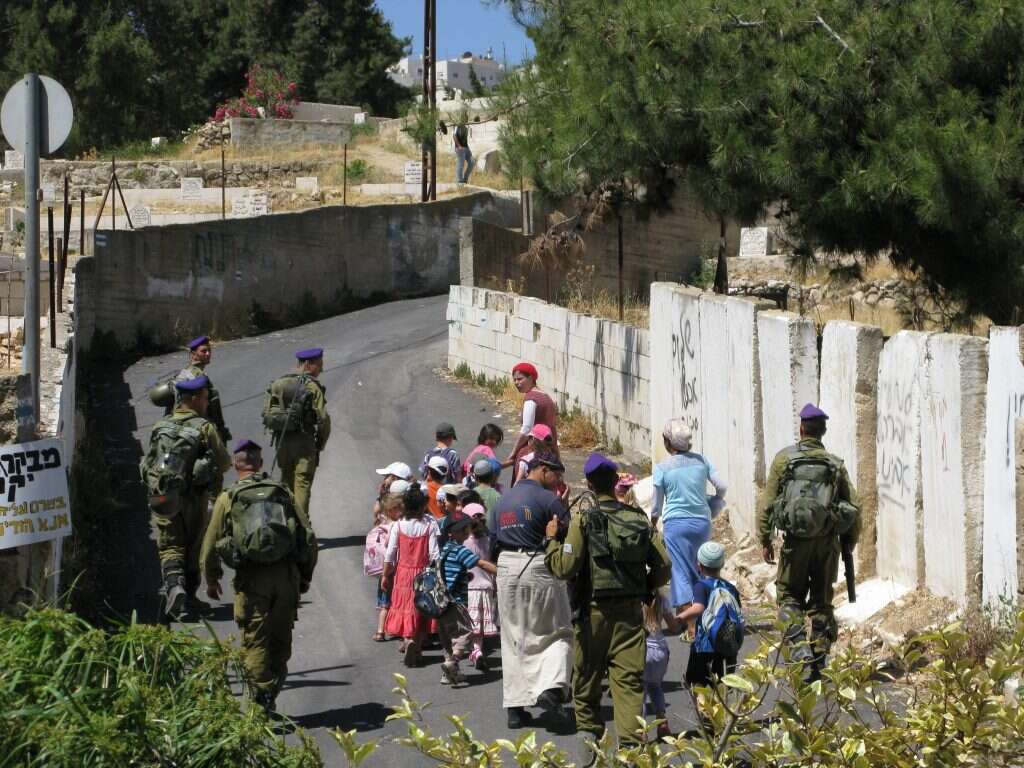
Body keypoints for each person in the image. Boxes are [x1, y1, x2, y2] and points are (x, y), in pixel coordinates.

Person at [545, 453, 671, 762]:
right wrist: (645, 587)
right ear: (616, 482)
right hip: (630, 616)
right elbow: (664, 565)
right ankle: (631, 755)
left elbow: (565, 567)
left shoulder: (584, 520)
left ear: (588, 484)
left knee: (586, 686)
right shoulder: (637, 520)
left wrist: (551, 542)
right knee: (628, 687)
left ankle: (590, 756)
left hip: (592, 615)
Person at [200, 439, 317, 714]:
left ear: (236, 464)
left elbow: (209, 544)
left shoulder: (228, 498)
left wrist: (212, 578)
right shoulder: (283, 492)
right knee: (279, 641)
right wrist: (304, 576)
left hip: (252, 582)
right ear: (260, 464)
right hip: (286, 578)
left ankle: (259, 703)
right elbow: (308, 537)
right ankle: (269, 696)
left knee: (255, 642)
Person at [758, 404, 861, 681]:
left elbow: (767, 502)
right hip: (827, 544)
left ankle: (798, 646)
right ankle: (818, 658)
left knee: (789, 596)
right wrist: (849, 542)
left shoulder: (784, 461)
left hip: (794, 544)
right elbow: (853, 505)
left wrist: (765, 538)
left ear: (802, 429)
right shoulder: (834, 464)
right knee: (821, 601)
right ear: (823, 431)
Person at [491, 451, 573, 729]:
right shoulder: (549, 499)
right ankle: (550, 688)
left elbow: (492, 540)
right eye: (556, 475)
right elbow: (566, 535)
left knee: (513, 636)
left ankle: (515, 708)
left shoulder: (502, 501)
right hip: (538, 564)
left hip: (505, 566)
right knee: (556, 629)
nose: (557, 481)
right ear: (543, 470)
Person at [141, 375, 230, 619]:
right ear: (191, 400)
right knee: (192, 547)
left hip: (162, 495)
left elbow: (148, 462)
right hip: (193, 500)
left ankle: (174, 588)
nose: (206, 403)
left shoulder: (161, 427)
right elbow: (224, 463)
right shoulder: (204, 427)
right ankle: (189, 598)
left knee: (170, 545)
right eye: (203, 398)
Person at [652, 419, 727, 615]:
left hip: (675, 526)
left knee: (680, 571)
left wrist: (652, 524)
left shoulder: (662, 468)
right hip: (702, 523)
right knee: (699, 567)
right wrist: (715, 502)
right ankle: (704, 613)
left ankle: (691, 624)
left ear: (668, 442)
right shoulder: (702, 460)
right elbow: (722, 486)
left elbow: (656, 507)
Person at [262, 348, 331, 519]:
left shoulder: (279, 383)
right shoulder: (312, 386)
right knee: (302, 483)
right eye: (319, 365)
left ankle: (285, 524)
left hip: (281, 442)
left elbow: (266, 412)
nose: (321, 369)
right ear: (308, 364)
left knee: (285, 482)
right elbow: (323, 419)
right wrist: (320, 443)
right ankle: (302, 527)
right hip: (304, 442)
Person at [382, 483, 440, 667]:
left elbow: (390, 553)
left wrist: (385, 575)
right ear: (423, 505)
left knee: (405, 607)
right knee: (420, 609)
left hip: (403, 573)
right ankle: (418, 646)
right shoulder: (429, 526)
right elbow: (434, 554)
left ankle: (408, 640)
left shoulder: (398, 526)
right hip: (422, 573)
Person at [436, 514, 498, 685]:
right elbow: (482, 564)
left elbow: (450, 572)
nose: (468, 530)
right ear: (458, 531)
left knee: (448, 638)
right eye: (466, 527)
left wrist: (465, 576)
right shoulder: (460, 550)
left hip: (440, 602)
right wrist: (504, 573)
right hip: (455, 602)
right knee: (466, 634)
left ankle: (449, 673)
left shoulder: (445, 549)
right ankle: (452, 663)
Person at [173, 335, 231, 443]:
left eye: (209, 350)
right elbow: (207, 407)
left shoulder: (188, 372)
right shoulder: (197, 377)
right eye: (204, 351)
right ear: (193, 354)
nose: (208, 354)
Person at [462, 503, 499, 670]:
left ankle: (475, 651)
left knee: (471, 624)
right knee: (481, 626)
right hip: (487, 586)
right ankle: (478, 650)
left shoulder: (464, 543)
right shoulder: (489, 541)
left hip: (470, 588)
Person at [505, 363, 559, 469]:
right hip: (549, 452)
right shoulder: (546, 397)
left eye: (520, 379)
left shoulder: (531, 399)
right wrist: (556, 452)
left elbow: (527, 428)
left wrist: (513, 452)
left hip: (533, 453)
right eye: (515, 380)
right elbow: (553, 428)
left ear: (531, 378)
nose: (516, 383)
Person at [643, 592, 681, 740]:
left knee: (640, 692)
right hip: (660, 651)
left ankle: (642, 731)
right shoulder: (662, 599)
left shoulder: (634, 599)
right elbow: (673, 627)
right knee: (655, 686)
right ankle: (662, 722)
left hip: (642, 650)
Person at [367, 491, 403, 642]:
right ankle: (398, 630)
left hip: (383, 569)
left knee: (384, 603)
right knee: (396, 601)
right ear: (392, 510)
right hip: (395, 567)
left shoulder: (380, 523)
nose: (403, 511)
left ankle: (380, 631)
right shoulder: (396, 526)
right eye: (400, 508)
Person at [470, 458, 503, 530]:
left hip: (476, 534)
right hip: (493, 534)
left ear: (475, 477)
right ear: (491, 476)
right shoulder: (498, 496)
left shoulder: (470, 495)